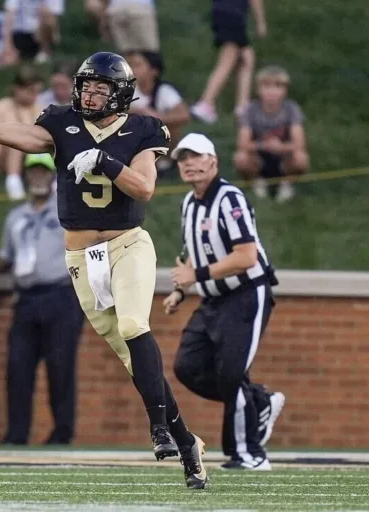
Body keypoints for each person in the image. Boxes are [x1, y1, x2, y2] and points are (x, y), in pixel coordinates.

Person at [0, 52, 207, 488]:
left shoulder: (142, 128)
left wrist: (104, 161)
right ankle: (188, 443)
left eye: (99, 88)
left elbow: (145, 187)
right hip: (82, 259)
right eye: (85, 86)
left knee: (133, 324)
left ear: (120, 94)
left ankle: (159, 428)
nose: (89, 94)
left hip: (126, 244)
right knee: (132, 357)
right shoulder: (59, 123)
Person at [165, 133, 286, 471]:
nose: (188, 163)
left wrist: (196, 276)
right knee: (187, 367)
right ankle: (260, 401)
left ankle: (248, 454)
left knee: (231, 375)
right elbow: (194, 250)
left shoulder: (230, 198)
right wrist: (181, 289)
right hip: (213, 298)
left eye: (195, 156)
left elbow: (246, 256)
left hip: (246, 293)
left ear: (213, 161)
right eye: (182, 158)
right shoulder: (188, 203)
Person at [0, 153, 85, 446]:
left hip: (61, 296)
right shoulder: (16, 217)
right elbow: (7, 257)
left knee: (60, 368)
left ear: (52, 178)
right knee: (17, 368)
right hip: (26, 300)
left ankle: (62, 433)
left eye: (43, 173)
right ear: (26, 177)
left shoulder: (67, 212)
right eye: (33, 173)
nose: (38, 178)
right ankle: (16, 434)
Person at [233, 65, 309, 202]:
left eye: (277, 87)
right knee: (240, 158)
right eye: (266, 86)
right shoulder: (250, 110)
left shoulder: (291, 109)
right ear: (258, 89)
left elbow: (299, 144)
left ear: (285, 91)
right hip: (258, 157)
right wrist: (264, 145)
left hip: (284, 157)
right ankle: (257, 182)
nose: (272, 92)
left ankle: (287, 183)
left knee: (301, 159)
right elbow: (242, 144)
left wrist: (280, 147)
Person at [190, 0, 267, 124]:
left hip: (221, 11)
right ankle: (206, 103)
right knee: (227, 60)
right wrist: (260, 21)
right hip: (233, 13)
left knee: (247, 58)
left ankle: (242, 106)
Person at [0, 65, 44, 200]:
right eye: (31, 91)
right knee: (15, 139)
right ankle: (13, 181)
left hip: (31, 154)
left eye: (37, 92)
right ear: (17, 89)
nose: (35, 95)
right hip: (3, 156)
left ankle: (52, 181)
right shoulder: (3, 106)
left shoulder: (40, 108)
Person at [126, 50, 189, 172]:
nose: (132, 69)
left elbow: (184, 115)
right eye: (131, 65)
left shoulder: (164, 91)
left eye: (138, 65)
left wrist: (155, 117)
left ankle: (165, 162)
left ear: (154, 71)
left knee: (172, 128)